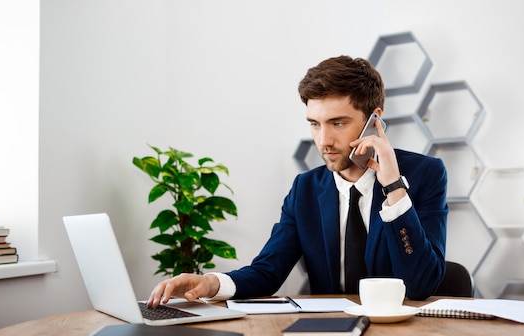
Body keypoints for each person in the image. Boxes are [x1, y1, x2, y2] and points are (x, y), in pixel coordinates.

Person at [147, 55, 448, 306]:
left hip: (405, 335)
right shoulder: (305, 189)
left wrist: (394, 187)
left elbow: (421, 285)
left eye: (338, 123)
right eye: (314, 124)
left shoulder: (424, 175)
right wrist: (211, 283)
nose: (324, 140)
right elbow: (268, 271)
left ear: (375, 120)